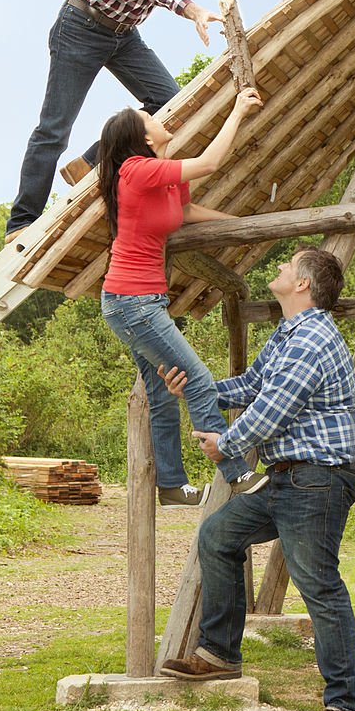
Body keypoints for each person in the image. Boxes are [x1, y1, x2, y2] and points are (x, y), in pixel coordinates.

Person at [5, 0, 308, 244]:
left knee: (169, 100)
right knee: (54, 129)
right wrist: (193, 10)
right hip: (81, 26)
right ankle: (21, 222)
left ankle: (91, 162)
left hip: (123, 34)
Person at [158, 246, 355, 711]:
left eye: (286, 265)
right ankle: (220, 654)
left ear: (303, 284)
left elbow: (274, 408)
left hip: (318, 476)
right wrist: (194, 388)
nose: (277, 267)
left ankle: (349, 706)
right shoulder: (288, 333)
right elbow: (253, 385)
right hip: (289, 476)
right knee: (218, 536)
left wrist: (226, 443)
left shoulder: (312, 337)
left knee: (318, 584)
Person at [98, 93, 269, 507]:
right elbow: (211, 163)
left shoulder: (165, 175)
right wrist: (237, 111)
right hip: (132, 301)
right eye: (147, 117)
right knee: (197, 380)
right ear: (143, 138)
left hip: (138, 303)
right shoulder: (135, 170)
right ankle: (236, 471)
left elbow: (188, 213)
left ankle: (172, 486)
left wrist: (245, 226)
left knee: (161, 395)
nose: (156, 118)